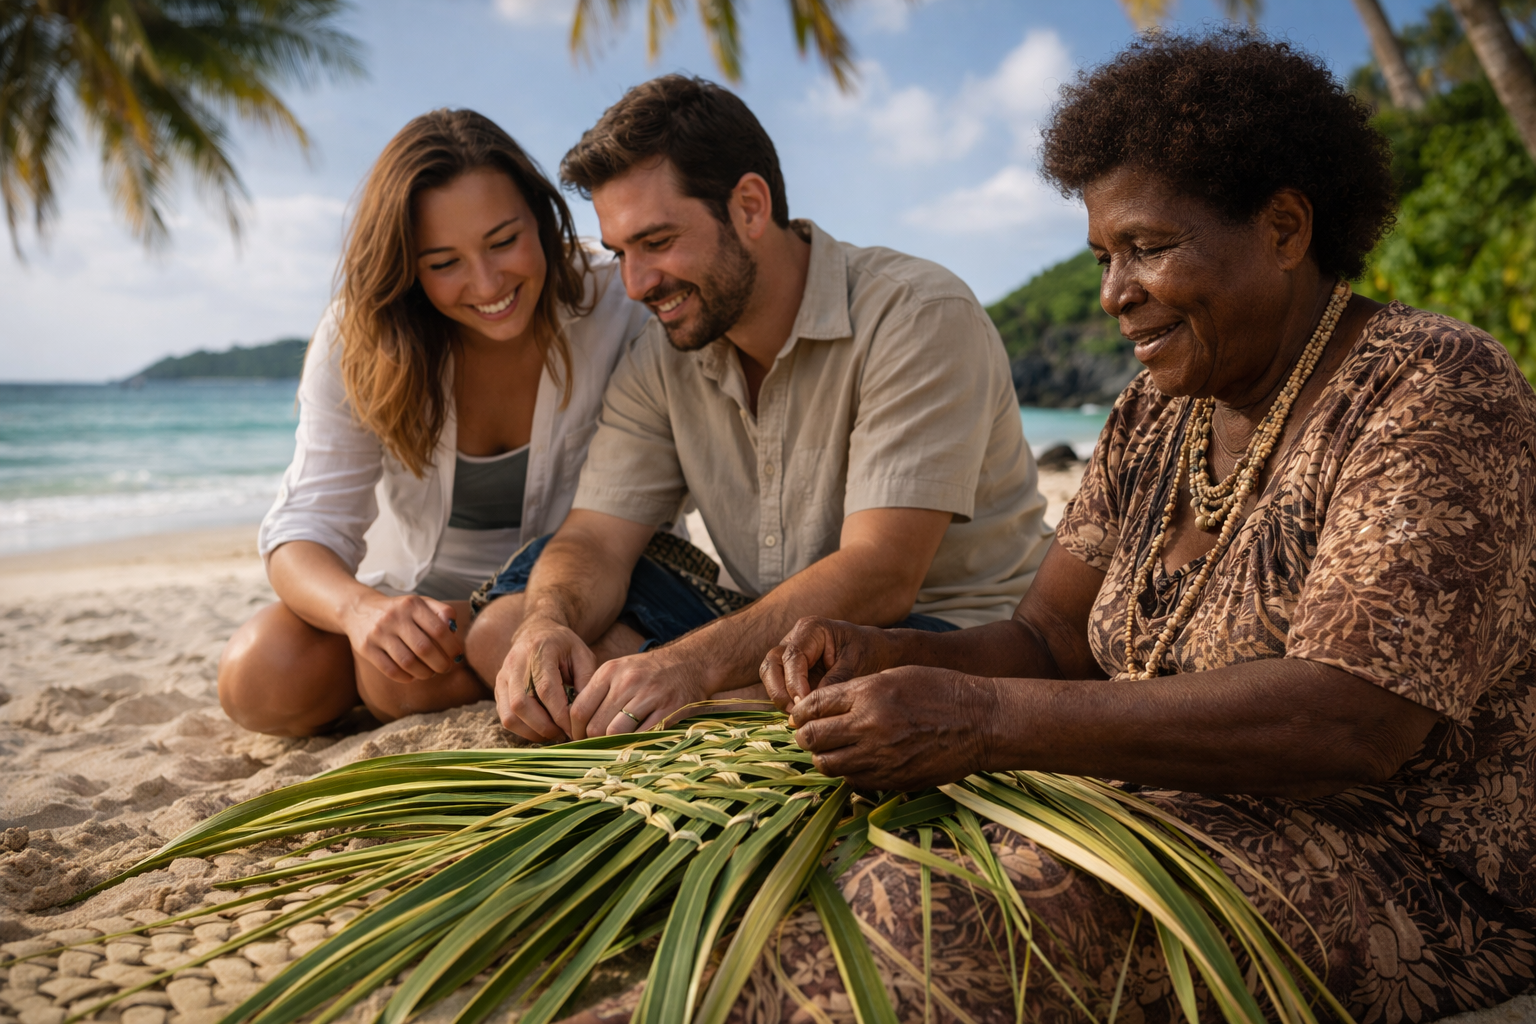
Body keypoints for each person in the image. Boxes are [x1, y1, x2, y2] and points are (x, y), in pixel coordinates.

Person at [723, 32, 1534, 1023]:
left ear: (1285, 228)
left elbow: (1349, 720)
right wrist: (875, 654)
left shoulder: (1434, 388)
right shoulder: (1155, 416)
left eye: (1148, 247)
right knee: (796, 856)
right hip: (1152, 805)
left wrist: (978, 720)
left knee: (927, 913)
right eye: (1105, 257)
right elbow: (1049, 640)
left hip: (1405, 859)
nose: (1114, 293)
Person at [463, 76, 1052, 745]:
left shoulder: (916, 313)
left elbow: (882, 573)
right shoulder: (661, 358)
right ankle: (704, 698)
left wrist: (687, 665)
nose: (635, 285)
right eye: (621, 253)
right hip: (771, 630)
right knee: (517, 626)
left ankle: (704, 701)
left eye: (657, 242)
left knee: (796, 691)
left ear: (749, 206)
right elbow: (596, 536)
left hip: (939, 638)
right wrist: (547, 624)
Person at [218, 110, 650, 737]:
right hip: (424, 603)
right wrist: (363, 610)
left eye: (504, 241)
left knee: (400, 679)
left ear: (541, 214)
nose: (487, 283)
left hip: (580, 593)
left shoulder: (617, 303)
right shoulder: (363, 335)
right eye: (443, 262)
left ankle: (471, 667)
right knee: (259, 677)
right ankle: (455, 668)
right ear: (407, 266)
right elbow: (304, 526)